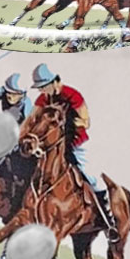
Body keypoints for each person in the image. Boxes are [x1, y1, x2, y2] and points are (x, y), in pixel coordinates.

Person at [31, 63, 119, 239]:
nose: (41, 91)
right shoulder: (43, 99)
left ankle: (108, 222)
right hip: (52, 146)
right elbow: (33, 119)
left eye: (43, 86)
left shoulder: (72, 95)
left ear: (54, 82)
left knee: (93, 178)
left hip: (76, 144)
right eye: (39, 88)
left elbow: (85, 121)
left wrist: (66, 123)